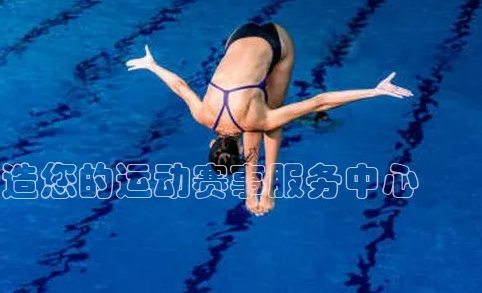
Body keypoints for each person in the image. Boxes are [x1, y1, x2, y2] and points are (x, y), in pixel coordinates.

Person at [125, 22, 412, 216]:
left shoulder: (258, 120)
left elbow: (319, 102)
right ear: (212, 144)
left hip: (277, 43)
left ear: (241, 151)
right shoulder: (203, 115)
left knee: (272, 117)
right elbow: (180, 86)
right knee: (261, 118)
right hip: (238, 35)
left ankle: (265, 187)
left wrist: (375, 91)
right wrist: (152, 65)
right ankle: (254, 188)